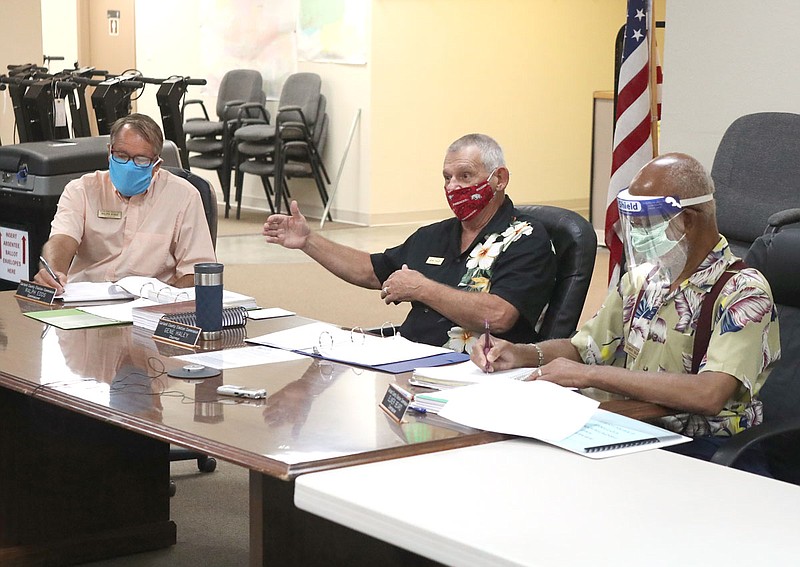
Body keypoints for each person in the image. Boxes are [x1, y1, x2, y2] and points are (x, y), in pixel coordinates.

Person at [472, 153, 780, 469]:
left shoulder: (742, 290)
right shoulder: (645, 278)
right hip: (634, 430)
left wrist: (590, 375)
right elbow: (583, 350)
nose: (638, 235)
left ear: (687, 220)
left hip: (706, 450)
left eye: (647, 224)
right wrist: (521, 354)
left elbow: (708, 395)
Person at [263, 133, 557, 349]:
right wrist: (309, 241)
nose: (453, 186)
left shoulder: (526, 237)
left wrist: (422, 288)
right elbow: (371, 270)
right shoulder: (435, 235)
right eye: (447, 177)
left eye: (465, 176)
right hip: (406, 357)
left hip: (475, 373)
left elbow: (499, 315)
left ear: (499, 179)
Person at [34, 113, 216, 292]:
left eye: (141, 159)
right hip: (85, 302)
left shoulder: (184, 196)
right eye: (121, 156)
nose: (129, 166)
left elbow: (197, 271)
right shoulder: (81, 190)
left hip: (146, 306)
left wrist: (163, 300)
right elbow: (62, 239)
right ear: (109, 152)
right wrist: (54, 270)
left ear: (157, 165)